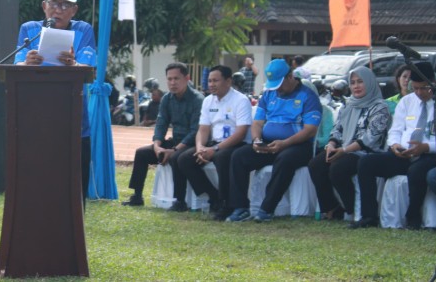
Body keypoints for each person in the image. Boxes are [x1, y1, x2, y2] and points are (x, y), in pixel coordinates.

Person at [14, 0, 97, 197]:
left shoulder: (84, 30)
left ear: (74, 10)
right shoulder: (29, 30)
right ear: (44, 6)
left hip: (73, 119)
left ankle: (75, 229)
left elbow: (89, 68)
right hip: (36, 118)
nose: (57, 10)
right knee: (38, 183)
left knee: (74, 186)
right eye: (53, 4)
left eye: (65, 5)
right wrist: (26, 63)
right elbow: (17, 64)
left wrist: (74, 64)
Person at [226, 58, 322, 222]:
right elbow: (257, 122)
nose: (277, 89)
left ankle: (266, 210)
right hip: (269, 144)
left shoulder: (308, 96)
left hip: (298, 145)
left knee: (285, 159)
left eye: (279, 84)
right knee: (239, 156)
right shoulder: (269, 93)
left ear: (290, 76)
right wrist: (256, 140)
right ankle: (240, 207)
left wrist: (285, 143)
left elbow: (310, 130)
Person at [351, 61, 436, 229]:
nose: (419, 93)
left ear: (433, 84)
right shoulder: (407, 102)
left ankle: (413, 218)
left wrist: (426, 147)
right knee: (366, 163)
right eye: (415, 88)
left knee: (417, 171)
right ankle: (368, 216)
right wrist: (395, 146)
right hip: (403, 153)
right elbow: (395, 130)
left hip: (430, 154)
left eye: (423, 88)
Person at [308, 67, 391, 221]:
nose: (356, 86)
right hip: (343, 148)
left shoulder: (380, 107)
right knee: (316, 165)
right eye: (352, 83)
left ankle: (351, 209)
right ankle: (332, 207)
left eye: (360, 82)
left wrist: (345, 150)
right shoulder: (348, 105)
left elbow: (370, 137)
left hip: (366, 153)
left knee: (338, 168)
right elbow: (337, 129)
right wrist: (331, 144)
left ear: (370, 83)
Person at [122, 62, 203, 209]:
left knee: (175, 157)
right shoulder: (167, 99)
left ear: (187, 78)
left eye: (176, 79)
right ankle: (137, 196)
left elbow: (195, 131)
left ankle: (180, 201)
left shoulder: (197, 99)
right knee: (141, 153)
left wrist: (174, 150)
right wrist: (157, 146)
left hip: (192, 144)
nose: (172, 83)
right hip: (174, 142)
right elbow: (161, 123)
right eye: (169, 79)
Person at [177, 65, 252, 220]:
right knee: (184, 159)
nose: (211, 84)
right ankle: (214, 197)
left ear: (228, 81)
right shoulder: (208, 101)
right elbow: (203, 129)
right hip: (214, 143)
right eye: (209, 81)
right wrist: (200, 148)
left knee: (221, 157)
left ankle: (227, 204)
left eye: (215, 81)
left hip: (235, 144)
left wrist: (214, 149)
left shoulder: (241, 100)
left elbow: (241, 133)